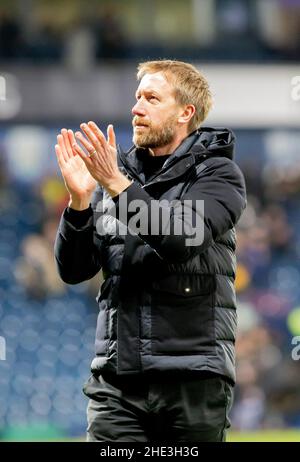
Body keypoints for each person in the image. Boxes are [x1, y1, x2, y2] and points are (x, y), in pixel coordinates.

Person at [54, 60, 247, 442]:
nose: (136, 108)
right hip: (116, 384)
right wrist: (78, 203)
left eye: (152, 98)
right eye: (137, 97)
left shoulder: (218, 176)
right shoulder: (116, 182)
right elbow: (74, 271)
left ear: (185, 112)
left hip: (193, 378)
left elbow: (179, 239)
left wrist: (113, 183)